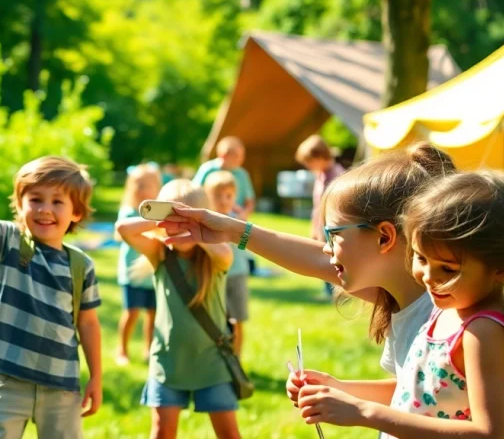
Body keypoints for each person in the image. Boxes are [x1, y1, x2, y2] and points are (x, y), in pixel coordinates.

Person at [160, 143, 456, 411]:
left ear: (384, 238)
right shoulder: (403, 297)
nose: (326, 248)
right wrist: (337, 389)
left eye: (334, 235)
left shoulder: (451, 319)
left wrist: (361, 413)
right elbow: (415, 392)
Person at [292, 172, 504, 438]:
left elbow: (490, 433)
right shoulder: (448, 308)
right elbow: (421, 392)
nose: (428, 277)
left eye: (448, 269)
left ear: (501, 268)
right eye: (421, 258)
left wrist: (364, 412)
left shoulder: (482, 334)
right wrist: (341, 390)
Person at [0, 155, 102, 439]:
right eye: (35, 199)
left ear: (76, 213)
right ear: (20, 205)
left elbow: (88, 324)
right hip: (8, 381)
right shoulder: (9, 241)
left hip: (61, 384)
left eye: (57, 202)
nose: (45, 209)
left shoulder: (81, 266)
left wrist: (96, 376)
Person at [116, 180, 241, 439]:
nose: (181, 227)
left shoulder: (216, 257)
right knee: (163, 432)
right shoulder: (161, 254)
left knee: (229, 434)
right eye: (173, 219)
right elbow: (123, 229)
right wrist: (163, 216)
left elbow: (226, 252)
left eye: (189, 220)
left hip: (211, 361)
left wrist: (197, 229)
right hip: (168, 363)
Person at [116, 164, 163, 365]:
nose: (141, 188)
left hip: (151, 272)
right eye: (137, 184)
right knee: (132, 312)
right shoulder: (128, 211)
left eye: (146, 184)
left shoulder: (159, 210)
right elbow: (122, 233)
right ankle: (123, 349)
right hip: (132, 273)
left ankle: (148, 348)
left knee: (152, 314)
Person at [203, 171, 251, 358]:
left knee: (238, 319)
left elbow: (247, 241)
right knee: (215, 319)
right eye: (217, 195)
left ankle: (236, 359)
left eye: (229, 196)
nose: (223, 200)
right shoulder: (207, 221)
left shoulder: (238, 221)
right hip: (215, 276)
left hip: (237, 275)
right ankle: (216, 357)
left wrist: (242, 224)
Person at [295, 135, 346, 299]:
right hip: (322, 225)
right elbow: (318, 206)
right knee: (323, 257)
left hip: (332, 227)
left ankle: (336, 292)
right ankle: (328, 291)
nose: (308, 166)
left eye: (309, 161)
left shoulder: (337, 176)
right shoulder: (321, 175)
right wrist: (314, 228)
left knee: (332, 260)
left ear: (319, 156)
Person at [193, 136, 255, 217]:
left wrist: (243, 215)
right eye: (236, 156)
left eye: (242, 156)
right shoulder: (208, 169)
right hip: (210, 214)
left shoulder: (242, 174)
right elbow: (194, 193)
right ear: (223, 155)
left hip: (234, 216)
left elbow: (250, 201)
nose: (241, 159)